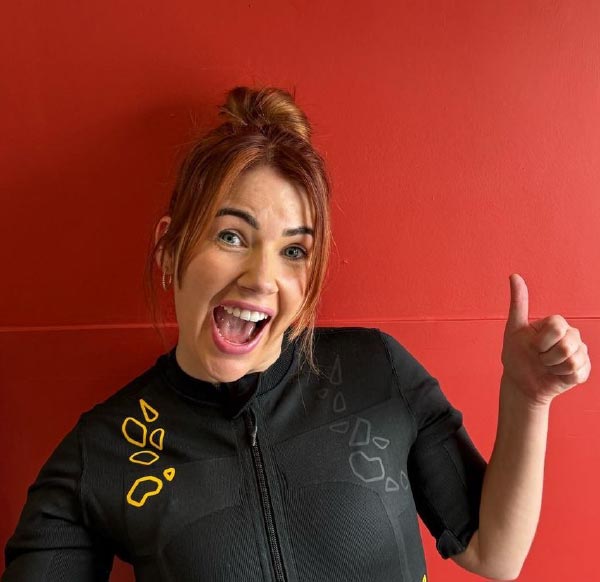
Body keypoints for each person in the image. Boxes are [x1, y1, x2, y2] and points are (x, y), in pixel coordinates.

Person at [3, 87, 591, 582]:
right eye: (231, 236)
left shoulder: (376, 371)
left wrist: (527, 396)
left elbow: (494, 553)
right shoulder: (104, 449)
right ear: (168, 249)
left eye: (293, 251)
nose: (262, 278)